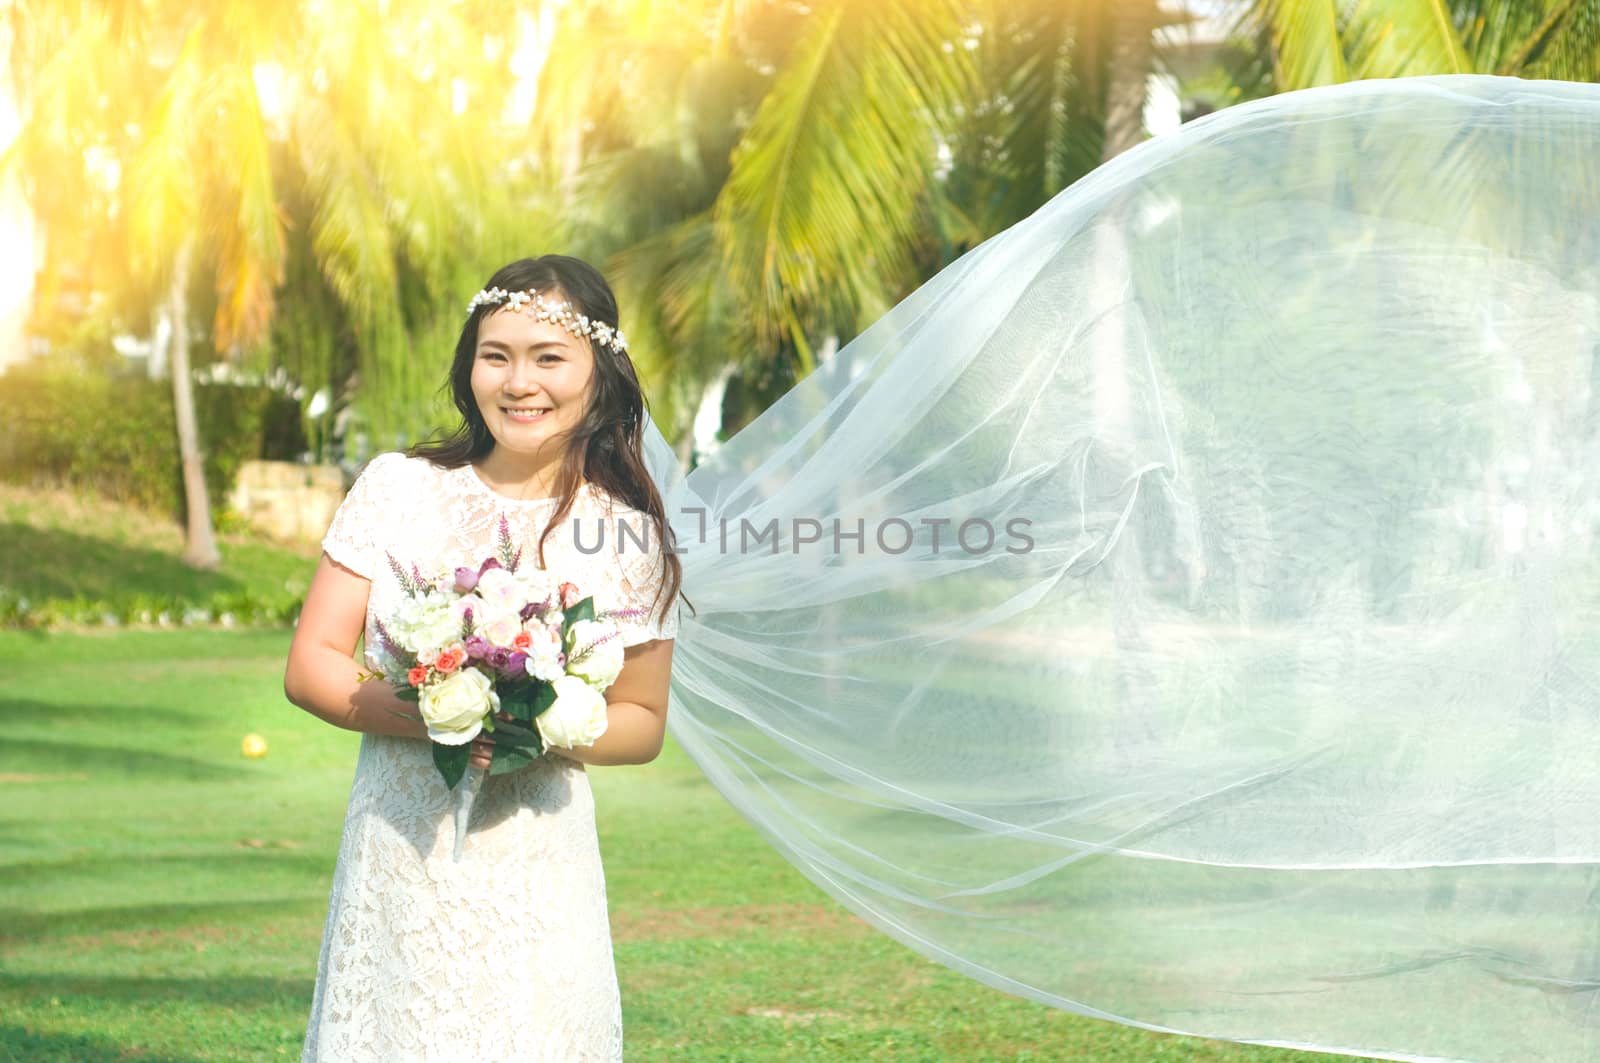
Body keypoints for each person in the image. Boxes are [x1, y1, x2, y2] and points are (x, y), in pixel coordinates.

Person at [284, 254, 685, 1061]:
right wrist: (437, 712)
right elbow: (313, 661)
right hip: (400, 854)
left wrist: (526, 726)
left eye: (548, 357)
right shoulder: (398, 486)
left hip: (540, 871)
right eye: (496, 354)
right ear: (470, 368)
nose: (519, 381)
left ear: (599, 375)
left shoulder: (631, 534)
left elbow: (641, 722)